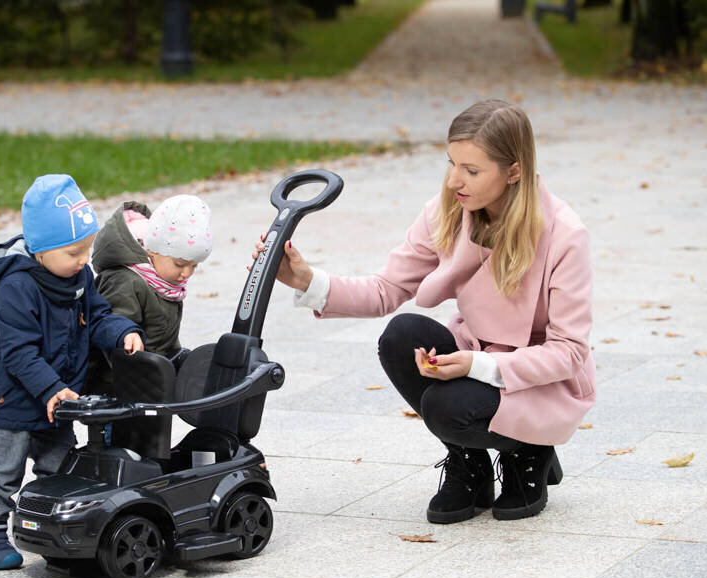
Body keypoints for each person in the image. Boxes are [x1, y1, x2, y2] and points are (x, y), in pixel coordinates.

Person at [255, 99, 595, 523]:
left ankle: (530, 451)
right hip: (479, 354)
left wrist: (476, 364)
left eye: (472, 170)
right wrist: (307, 280)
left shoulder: (564, 233)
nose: (455, 180)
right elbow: (386, 289)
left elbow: (569, 352)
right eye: (451, 163)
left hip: (542, 380)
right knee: (401, 336)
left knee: (447, 406)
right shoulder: (446, 212)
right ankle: (469, 463)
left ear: (514, 171)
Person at [0, 174, 145, 570]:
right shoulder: (15, 288)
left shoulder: (79, 276)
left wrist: (122, 333)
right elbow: (17, 353)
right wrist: (50, 387)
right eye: (73, 252)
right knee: (3, 470)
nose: (84, 260)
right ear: (40, 250)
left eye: (87, 249)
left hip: (59, 400)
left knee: (61, 465)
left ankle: (53, 530)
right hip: (12, 401)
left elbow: (98, 315)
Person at [86, 194, 213, 391]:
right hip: (118, 386)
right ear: (152, 251)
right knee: (128, 423)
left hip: (153, 381)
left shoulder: (165, 284)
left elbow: (164, 335)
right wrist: (138, 370)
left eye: (194, 266)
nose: (186, 273)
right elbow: (112, 334)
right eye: (180, 264)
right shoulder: (125, 281)